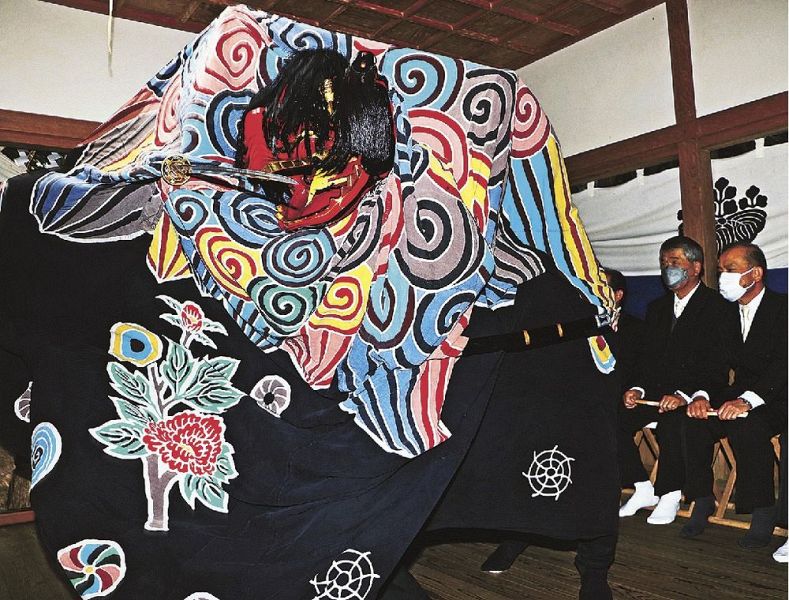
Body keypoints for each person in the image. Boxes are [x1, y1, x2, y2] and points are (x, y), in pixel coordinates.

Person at [475, 267, 641, 578]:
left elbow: (627, 370)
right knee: (529, 479)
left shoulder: (630, 327)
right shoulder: (569, 318)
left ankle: (594, 571)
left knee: (595, 491)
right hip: (560, 410)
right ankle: (515, 539)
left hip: (601, 415)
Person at [617, 236, 727, 525]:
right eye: (664, 263)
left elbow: (716, 364)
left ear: (695, 267)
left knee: (674, 420)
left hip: (695, 395)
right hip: (655, 394)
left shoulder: (717, 307)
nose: (668, 269)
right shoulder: (656, 308)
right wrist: (637, 388)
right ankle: (642, 487)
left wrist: (684, 394)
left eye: (675, 263)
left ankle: (670, 493)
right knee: (610, 415)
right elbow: (646, 360)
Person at [682, 242, 787, 546]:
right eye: (721, 271)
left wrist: (748, 400)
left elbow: (784, 364)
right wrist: (701, 395)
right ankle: (702, 498)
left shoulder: (784, 309)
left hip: (778, 396)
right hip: (737, 394)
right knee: (694, 419)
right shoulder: (724, 314)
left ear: (756, 273)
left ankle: (763, 508)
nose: (723, 276)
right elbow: (712, 362)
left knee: (749, 425)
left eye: (731, 270)